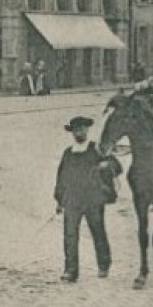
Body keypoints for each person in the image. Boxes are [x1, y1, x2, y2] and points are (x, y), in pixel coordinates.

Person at [54, 116, 122, 282]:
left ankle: (104, 264)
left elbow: (117, 167)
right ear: (72, 133)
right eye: (77, 130)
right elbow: (61, 177)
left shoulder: (96, 150)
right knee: (70, 235)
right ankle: (71, 271)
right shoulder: (68, 153)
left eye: (82, 129)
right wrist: (59, 200)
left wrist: (107, 165)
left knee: (97, 232)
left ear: (87, 130)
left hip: (93, 199)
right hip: (72, 200)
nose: (80, 132)